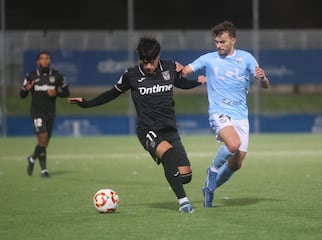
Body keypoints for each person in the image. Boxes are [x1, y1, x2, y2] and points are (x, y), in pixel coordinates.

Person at [68, 37, 205, 213]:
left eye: (152, 62)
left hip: (170, 129)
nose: (148, 66)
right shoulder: (131, 75)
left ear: (158, 56)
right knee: (168, 154)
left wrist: (198, 82)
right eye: (145, 62)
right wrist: (86, 103)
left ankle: (169, 168)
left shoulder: (170, 68)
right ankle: (184, 202)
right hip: (147, 129)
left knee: (185, 175)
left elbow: (181, 83)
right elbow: (111, 94)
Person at [181, 20, 270, 207]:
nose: (219, 45)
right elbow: (186, 71)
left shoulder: (246, 58)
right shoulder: (208, 59)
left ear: (233, 40)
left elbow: (264, 84)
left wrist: (262, 79)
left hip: (240, 116)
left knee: (237, 163)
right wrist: (179, 71)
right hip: (219, 112)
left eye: (223, 42)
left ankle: (209, 189)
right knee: (233, 143)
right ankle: (212, 170)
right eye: (217, 42)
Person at [20, 50, 70, 178]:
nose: (44, 61)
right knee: (42, 137)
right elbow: (22, 94)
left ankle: (32, 158)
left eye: (46, 58)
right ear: (38, 61)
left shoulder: (57, 76)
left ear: (50, 60)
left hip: (50, 113)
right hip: (37, 112)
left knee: (44, 142)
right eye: (42, 58)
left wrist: (57, 93)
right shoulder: (30, 76)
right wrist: (27, 89)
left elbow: (66, 93)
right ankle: (44, 171)